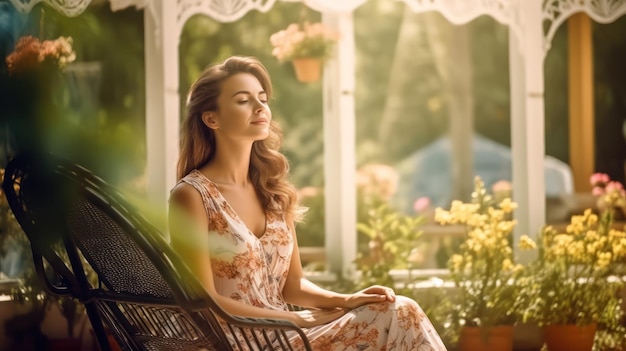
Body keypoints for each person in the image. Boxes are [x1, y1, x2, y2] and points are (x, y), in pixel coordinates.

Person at [168, 55, 447, 350]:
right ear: (212, 118)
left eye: (262, 98)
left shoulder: (273, 193)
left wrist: (346, 299)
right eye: (243, 100)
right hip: (231, 342)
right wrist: (296, 320)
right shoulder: (191, 195)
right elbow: (204, 301)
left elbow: (293, 285)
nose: (260, 107)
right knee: (400, 315)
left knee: (400, 309)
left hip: (284, 337)